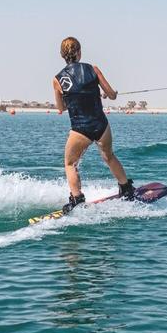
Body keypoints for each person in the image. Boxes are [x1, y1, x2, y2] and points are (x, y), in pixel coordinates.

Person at [53, 37, 134, 213]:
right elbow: (111, 95)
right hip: (101, 126)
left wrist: (71, 98)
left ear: (62, 55)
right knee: (109, 156)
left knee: (70, 163)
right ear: (80, 52)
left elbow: (61, 108)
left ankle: (77, 198)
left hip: (80, 130)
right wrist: (111, 94)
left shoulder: (58, 79)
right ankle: (126, 188)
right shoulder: (93, 69)